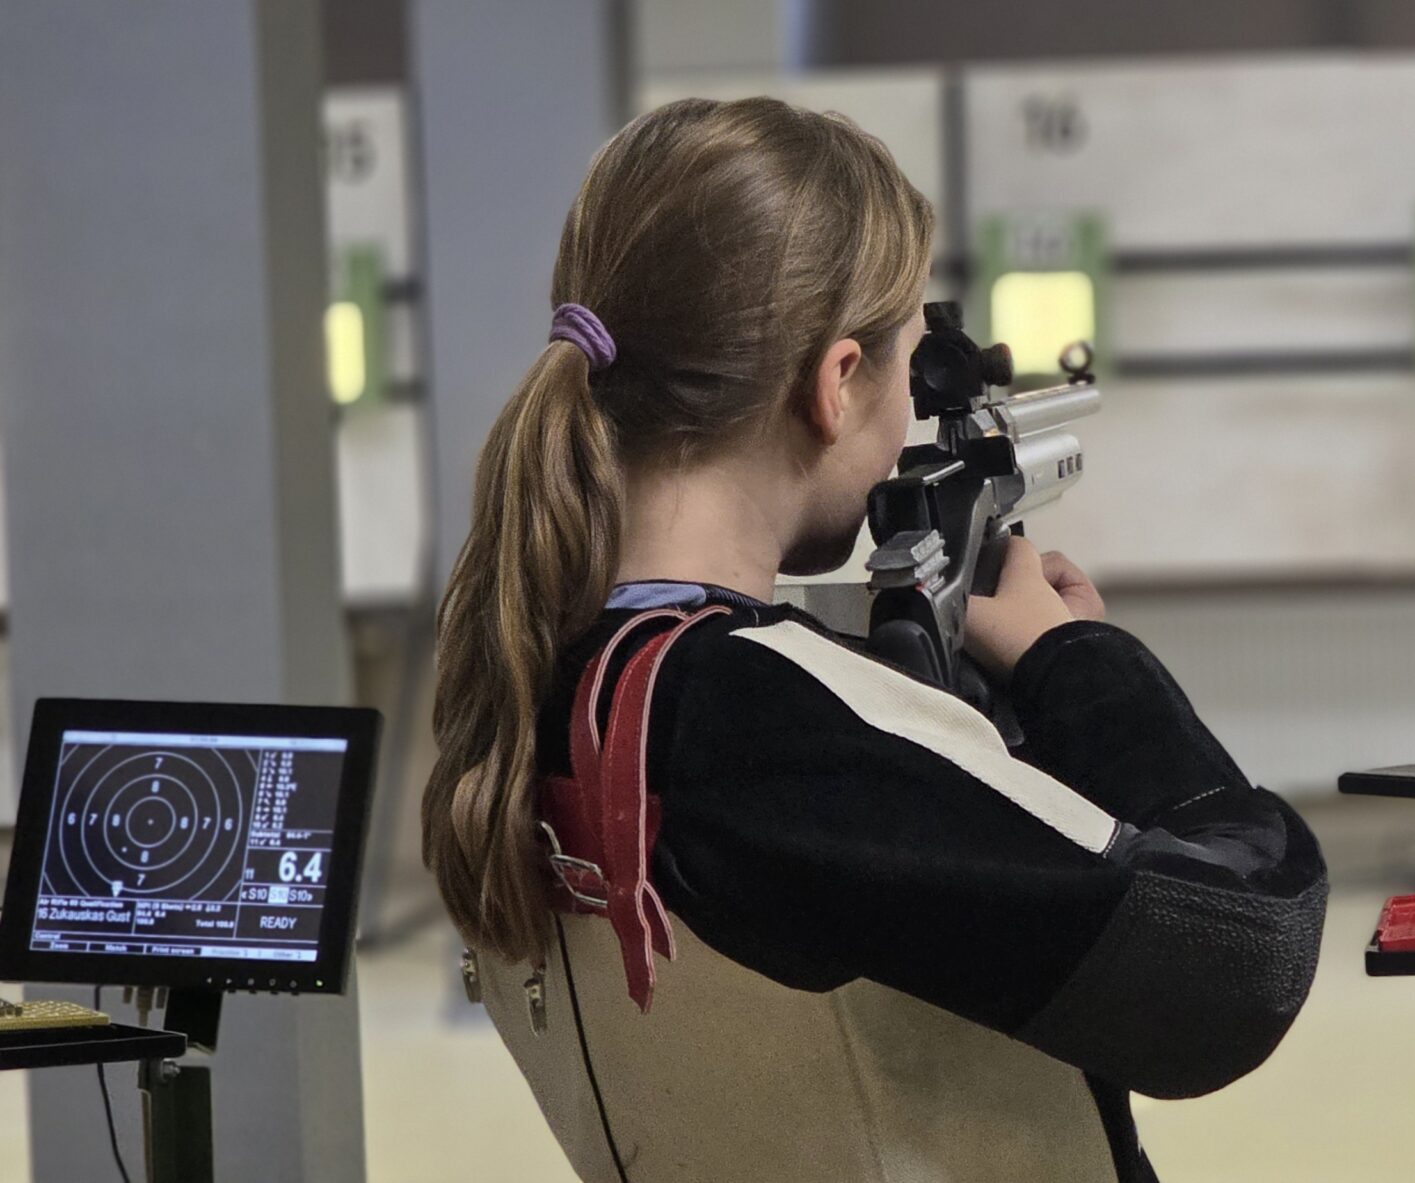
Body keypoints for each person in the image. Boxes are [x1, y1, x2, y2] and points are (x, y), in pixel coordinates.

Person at [421, 97, 1327, 1183]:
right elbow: (1237, 959)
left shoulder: (541, 672)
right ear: (836, 381)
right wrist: (1074, 662)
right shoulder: (759, 721)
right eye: (901, 366)